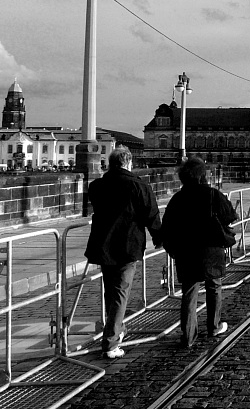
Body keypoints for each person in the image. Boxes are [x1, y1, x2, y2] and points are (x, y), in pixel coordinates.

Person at [84, 146, 162, 359]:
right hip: (128, 245)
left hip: (103, 245)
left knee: (111, 290)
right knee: (120, 292)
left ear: (111, 164)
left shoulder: (97, 186)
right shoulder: (139, 186)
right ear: (128, 163)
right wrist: (158, 238)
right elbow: (151, 214)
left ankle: (117, 329)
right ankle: (111, 342)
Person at [162, 157, 237, 349]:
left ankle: (188, 336)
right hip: (211, 248)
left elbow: (167, 228)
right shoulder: (213, 194)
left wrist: (172, 250)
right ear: (202, 175)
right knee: (214, 287)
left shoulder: (178, 199)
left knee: (189, 292)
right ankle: (214, 326)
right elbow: (230, 215)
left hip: (186, 251)